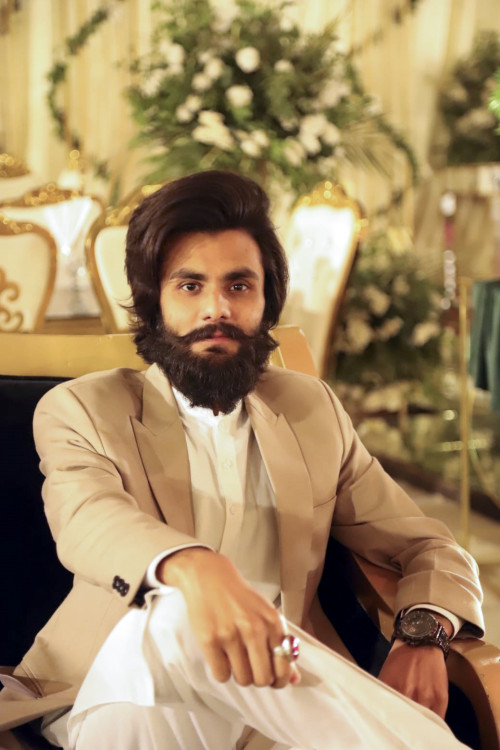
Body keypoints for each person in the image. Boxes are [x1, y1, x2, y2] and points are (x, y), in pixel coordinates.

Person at [0, 171, 483, 750]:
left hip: (276, 698)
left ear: (265, 301)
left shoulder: (310, 409)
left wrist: (423, 634)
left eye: (238, 285)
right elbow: (89, 520)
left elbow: (425, 544)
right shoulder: (84, 408)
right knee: (171, 616)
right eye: (190, 286)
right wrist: (196, 570)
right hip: (109, 686)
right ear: (155, 302)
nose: (217, 308)